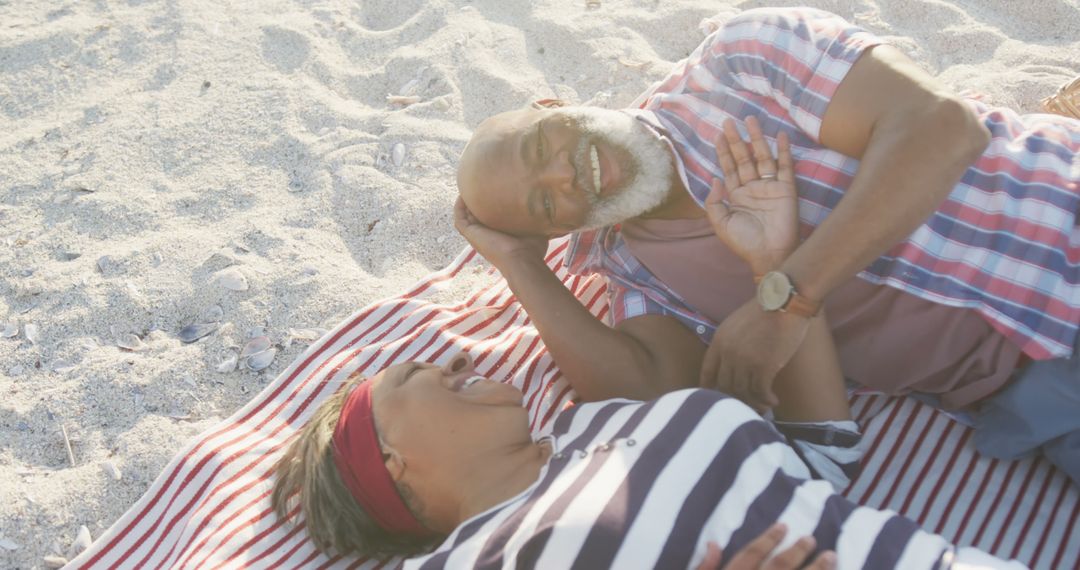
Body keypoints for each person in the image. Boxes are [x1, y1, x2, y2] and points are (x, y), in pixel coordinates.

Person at [452, 6, 1080, 484]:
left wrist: (787, 300)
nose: (564, 175)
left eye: (542, 146)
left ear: (553, 104)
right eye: (544, 204)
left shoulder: (740, 60)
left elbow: (943, 129)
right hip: (1037, 387)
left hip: (1062, 213)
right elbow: (650, 397)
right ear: (561, 233)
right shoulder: (639, 275)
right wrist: (519, 264)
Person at [271, 350, 1025, 569]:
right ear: (391, 461)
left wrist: (782, 279)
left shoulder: (590, 423)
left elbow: (816, 459)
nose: (451, 361)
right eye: (413, 378)